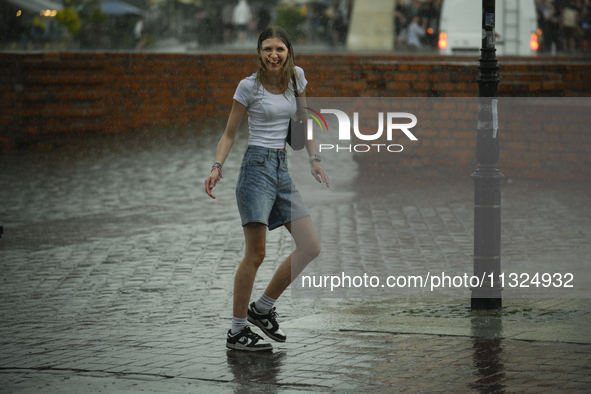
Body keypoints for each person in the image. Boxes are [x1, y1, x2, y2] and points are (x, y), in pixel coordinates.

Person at [205, 26, 329, 351]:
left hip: (281, 168)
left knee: (310, 246)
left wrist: (315, 159)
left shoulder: (296, 78)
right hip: (256, 169)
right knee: (256, 253)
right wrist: (217, 167)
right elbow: (230, 133)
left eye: (280, 49)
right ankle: (236, 331)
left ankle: (261, 308)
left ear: (289, 53)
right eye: (267, 49)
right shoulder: (249, 86)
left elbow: (306, 122)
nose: (273, 55)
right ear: (259, 52)